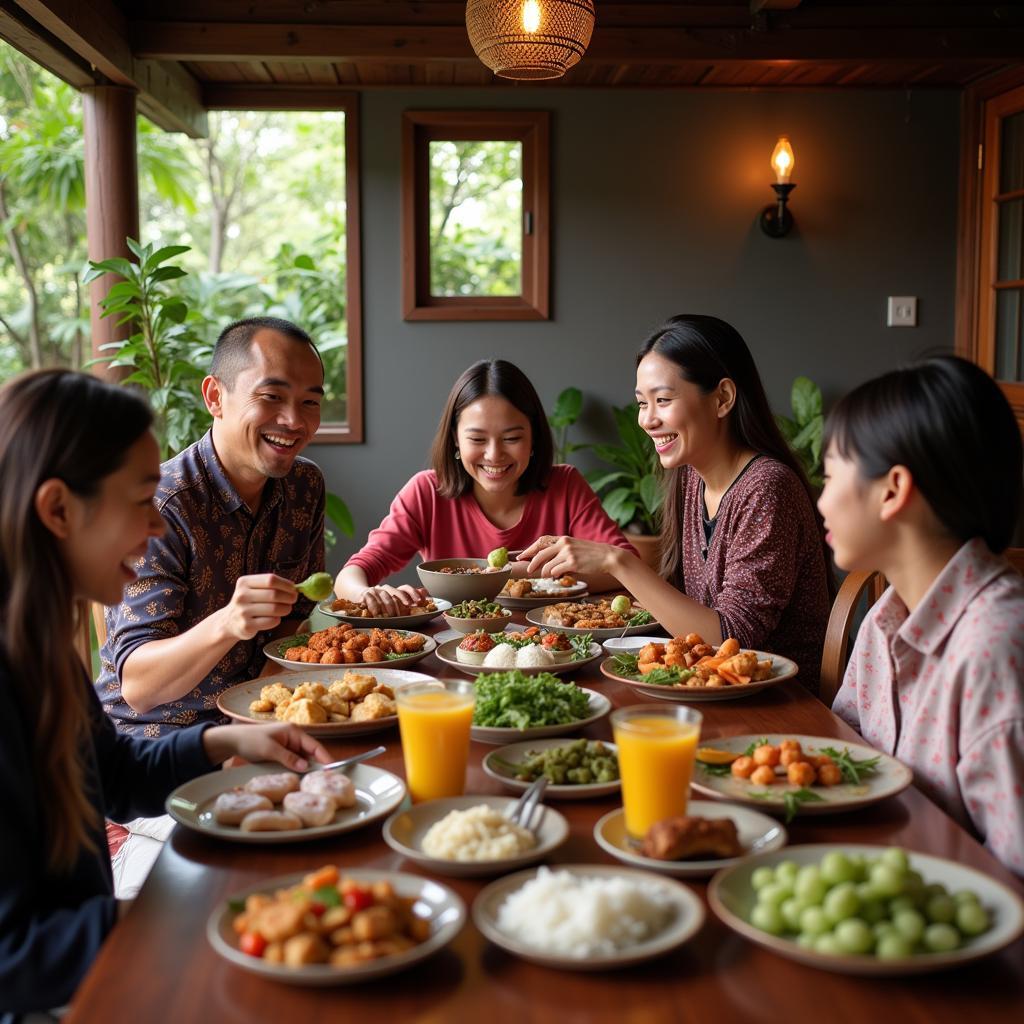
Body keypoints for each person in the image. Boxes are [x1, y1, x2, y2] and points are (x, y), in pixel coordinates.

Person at [0, 369, 331, 1019]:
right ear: (59, 509)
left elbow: (114, 776)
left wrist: (226, 738)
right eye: (143, 500)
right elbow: (13, 956)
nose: (158, 524)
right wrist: (198, 915)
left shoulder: (37, 643)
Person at [521, 315, 833, 692]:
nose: (647, 420)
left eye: (663, 400)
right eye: (641, 403)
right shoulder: (691, 477)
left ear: (723, 398)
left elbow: (733, 638)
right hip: (705, 689)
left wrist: (616, 560)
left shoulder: (767, 488)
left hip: (778, 704)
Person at [820, 356, 1024, 876]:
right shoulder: (883, 621)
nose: (820, 502)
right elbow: (841, 759)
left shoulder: (996, 645)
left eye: (828, 476)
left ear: (892, 490)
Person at [96, 315, 327, 736]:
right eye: (272, 396)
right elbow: (139, 687)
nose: (294, 420)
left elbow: (295, 620)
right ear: (215, 397)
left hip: (260, 716)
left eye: (310, 402)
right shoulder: (162, 505)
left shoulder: (304, 485)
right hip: (155, 739)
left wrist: (275, 702)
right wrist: (228, 622)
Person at [335, 359, 636, 615]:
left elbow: (627, 566)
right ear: (455, 438)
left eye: (512, 438)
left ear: (533, 438)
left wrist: (484, 577)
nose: (494, 455)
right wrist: (366, 595)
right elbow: (352, 574)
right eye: (477, 439)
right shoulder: (426, 492)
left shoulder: (565, 485)